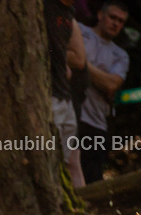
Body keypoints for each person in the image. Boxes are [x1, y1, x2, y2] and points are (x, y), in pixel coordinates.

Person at [78, 0, 129, 184]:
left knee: (92, 178)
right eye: (112, 17)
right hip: (70, 114)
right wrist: (99, 76)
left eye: (121, 21)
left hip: (97, 123)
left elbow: (111, 85)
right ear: (100, 14)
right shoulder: (80, 32)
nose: (116, 23)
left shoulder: (120, 55)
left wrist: (81, 64)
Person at [46, 0, 87, 187]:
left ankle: (81, 209)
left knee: (71, 161)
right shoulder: (46, 6)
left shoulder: (69, 12)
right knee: (50, 160)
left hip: (65, 96)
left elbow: (77, 59)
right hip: (48, 96)